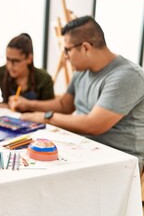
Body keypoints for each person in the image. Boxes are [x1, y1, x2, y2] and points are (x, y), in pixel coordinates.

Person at [9, 16, 144, 172]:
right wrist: (27, 104)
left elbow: (93, 125)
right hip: (82, 148)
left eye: (67, 50)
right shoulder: (81, 70)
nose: (65, 56)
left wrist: (45, 117)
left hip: (119, 160)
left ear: (86, 47)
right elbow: (64, 105)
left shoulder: (127, 76)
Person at [0, 33, 55, 111]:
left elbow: (51, 108)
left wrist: (28, 105)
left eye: (15, 61)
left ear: (29, 59)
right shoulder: (1, 72)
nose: (10, 66)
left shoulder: (44, 78)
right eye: (8, 59)